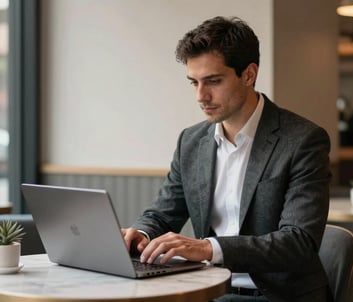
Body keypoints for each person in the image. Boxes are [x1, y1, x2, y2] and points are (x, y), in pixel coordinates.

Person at [121, 16, 332, 302]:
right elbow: (163, 213)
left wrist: (209, 248)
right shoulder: (191, 142)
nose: (201, 96)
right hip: (210, 291)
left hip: (278, 296)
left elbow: (298, 242)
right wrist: (142, 233)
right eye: (193, 82)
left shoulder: (303, 140)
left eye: (213, 81)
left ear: (248, 74)